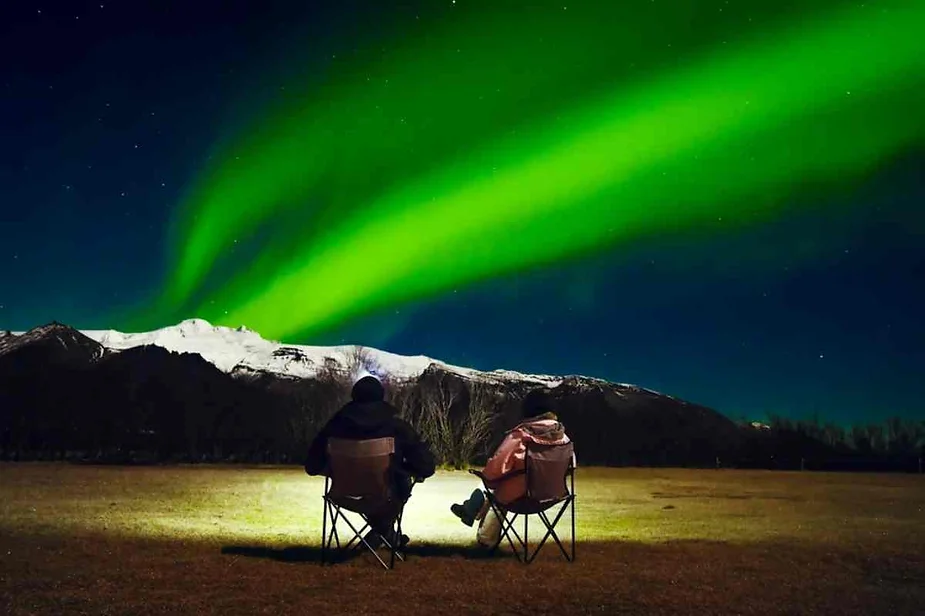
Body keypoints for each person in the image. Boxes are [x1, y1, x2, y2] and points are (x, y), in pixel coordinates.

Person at [305, 375, 436, 547]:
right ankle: (383, 529)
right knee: (401, 480)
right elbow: (426, 467)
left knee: (393, 480)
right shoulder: (396, 428)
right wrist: (404, 468)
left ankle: (382, 531)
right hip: (385, 495)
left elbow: (312, 466)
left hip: (341, 494)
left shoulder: (334, 428)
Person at [450, 388, 572, 547]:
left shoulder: (521, 435)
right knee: (499, 488)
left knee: (494, 489)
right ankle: (470, 511)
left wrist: (487, 476)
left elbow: (497, 467)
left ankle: (483, 535)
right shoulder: (564, 438)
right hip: (554, 494)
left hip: (522, 496)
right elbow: (571, 467)